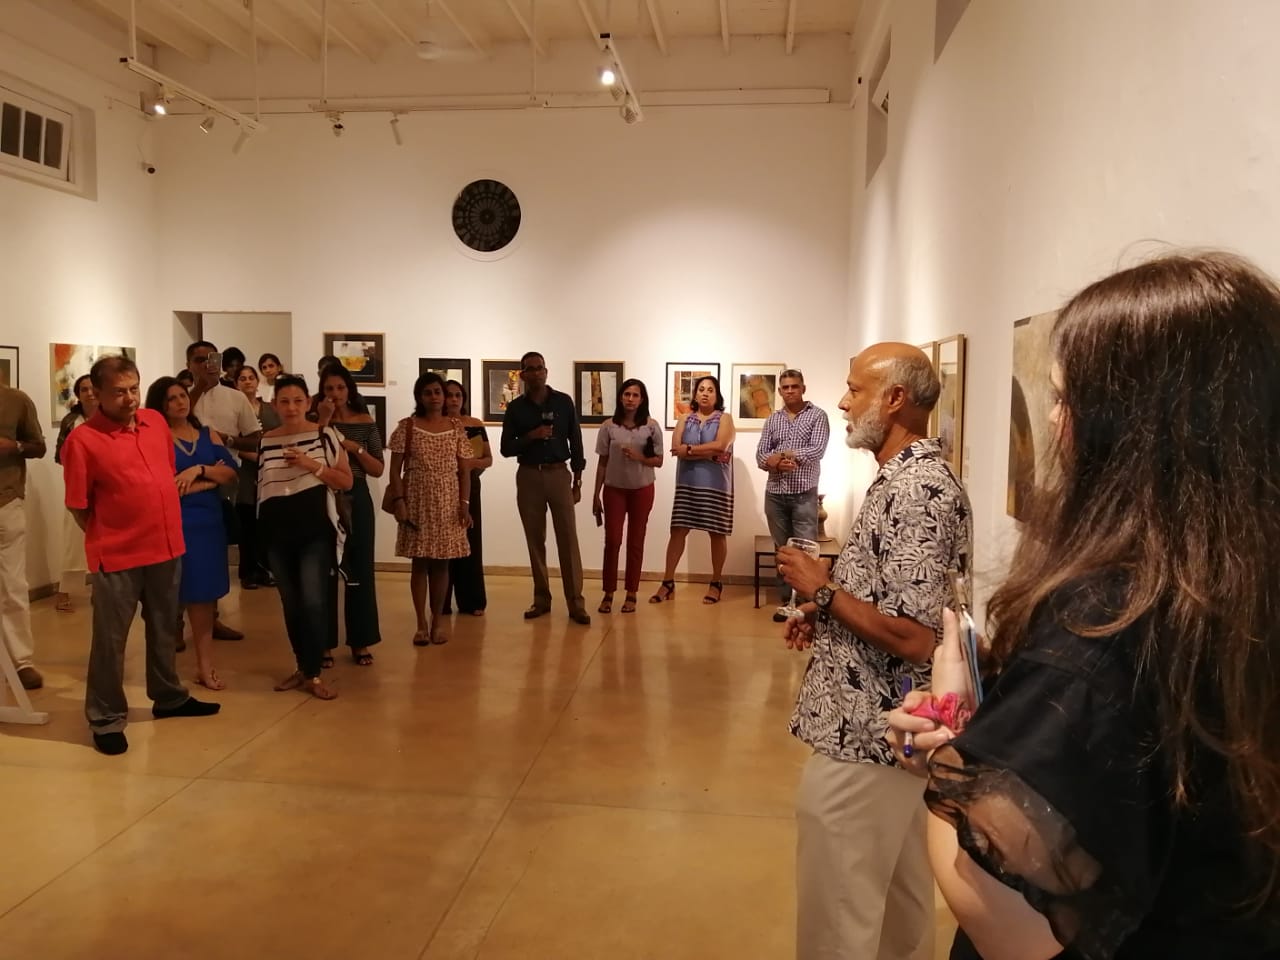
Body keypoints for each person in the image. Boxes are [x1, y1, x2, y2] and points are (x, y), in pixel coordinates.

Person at [884, 253, 1280, 960]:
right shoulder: (1241, 587)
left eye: (1065, 398)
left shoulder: (1106, 624)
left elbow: (1009, 925)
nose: (1052, 419)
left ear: (1132, 428)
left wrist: (951, 749)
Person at [777, 342, 971, 960]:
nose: (842, 401)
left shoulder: (917, 490)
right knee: (897, 910)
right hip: (893, 738)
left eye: (855, 388)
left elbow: (914, 636)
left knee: (840, 920)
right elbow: (897, 600)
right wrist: (826, 612)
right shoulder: (906, 479)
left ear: (894, 399)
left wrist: (822, 588)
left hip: (866, 739)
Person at [61, 355, 220, 755]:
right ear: (97, 394)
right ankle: (105, 717)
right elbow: (78, 505)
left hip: (166, 546)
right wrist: (110, 534)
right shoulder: (83, 441)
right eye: (119, 392)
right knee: (110, 641)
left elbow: (165, 474)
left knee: (165, 628)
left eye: (134, 389)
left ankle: (169, 697)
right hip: (117, 554)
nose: (130, 398)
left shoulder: (154, 423)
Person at [257, 374, 352, 700]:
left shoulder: (324, 435)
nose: (291, 407)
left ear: (308, 402)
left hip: (314, 530)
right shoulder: (266, 440)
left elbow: (346, 481)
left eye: (298, 400)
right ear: (274, 405)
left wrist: (311, 465)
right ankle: (302, 666)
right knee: (291, 603)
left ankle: (313, 672)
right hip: (277, 531)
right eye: (284, 401)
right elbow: (264, 487)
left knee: (313, 601)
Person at [146, 377, 237, 691]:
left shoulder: (207, 434)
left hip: (208, 526)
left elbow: (230, 472)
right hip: (172, 524)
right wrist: (207, 482)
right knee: (167, 601)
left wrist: (198, 471)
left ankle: (205, 666)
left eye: (182, 396)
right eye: (171, 398)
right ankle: (163, 674)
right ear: (160, 405)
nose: (180, 402)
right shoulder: (156, 438)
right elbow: (164, 486)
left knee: (203, 599)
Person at [499, 352, 590, 625]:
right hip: (529, 475)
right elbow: (505, 448)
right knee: (535, 540)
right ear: (522, 375)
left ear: (546, 371)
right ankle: (541, 599)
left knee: (568, 539)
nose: (536, 373)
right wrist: (531, 436)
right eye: (531, 369)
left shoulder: (563, 402)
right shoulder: (516, 408)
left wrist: (577, 480)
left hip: (559, 474)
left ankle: (576, 603)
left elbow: (576, 440)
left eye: (540, 368)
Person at [387, 373, 473, 646]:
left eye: (438, 392)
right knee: (420, 564)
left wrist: (464, 504)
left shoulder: (456, 427)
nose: (434, 397)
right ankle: (421, 624)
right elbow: (395, 470)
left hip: (448, 502)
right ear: (419, 397)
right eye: (428, 392)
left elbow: (464, 471)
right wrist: (399, 502)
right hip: (417, 501)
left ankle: (437, 622)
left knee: (442, 565)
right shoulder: (407, 427)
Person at [185, 340, 260, 641]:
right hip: (182, 481)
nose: (206, 364)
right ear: (189, 364)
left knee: (213, 552)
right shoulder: (178, 396)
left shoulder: (235, 397)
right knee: (180, 555)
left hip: (222, 480)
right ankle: (175, 626)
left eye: (210, 358)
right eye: (199, 360)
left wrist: (228, 440)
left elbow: (255, 438)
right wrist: (199, 388)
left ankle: (212, 619)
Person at [316, 363, 384, 665]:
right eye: (329, 388)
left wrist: (355, 448)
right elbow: (311, 454)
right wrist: (323, 422)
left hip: (357, 495)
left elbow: (378, 468)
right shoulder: (314, 421)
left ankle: (361, 640)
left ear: (349, 389)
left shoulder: (365, 421)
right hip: (324, 495)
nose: (335, 393)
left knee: (360, 569)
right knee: (325, 569)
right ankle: (324, 643)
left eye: (340, 387)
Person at [651, 376, 735, 605]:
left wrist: (689, 450)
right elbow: (675, 448)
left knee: (716, 533)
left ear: (717, 395)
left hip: (716, 485)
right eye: (701, 389)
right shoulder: (684, 418)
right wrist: (708, 453)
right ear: (695, 394)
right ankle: (668, 582)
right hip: (687, 484)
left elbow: (721, 446)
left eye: (710, 390)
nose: (705, 393)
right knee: (678, 531)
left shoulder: (725, 418)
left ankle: (716, 582)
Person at [755, 369, 830, 621]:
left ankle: (807, 604)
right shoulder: (772, 419)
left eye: (794, 386)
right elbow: (761, 455)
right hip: (775, 494)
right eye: (785, 387)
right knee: (782, 551)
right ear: (779, 391)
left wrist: (785, 455)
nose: (790, 391)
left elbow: (817, 450)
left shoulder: (817, 416)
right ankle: (787, 601)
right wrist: (775, 463)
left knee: (806, 552)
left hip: (804, 494)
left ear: (803, 388)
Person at [590, 379, 664, 614]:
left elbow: (659, 461)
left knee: (636, 541)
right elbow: (602, 462)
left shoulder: (651, 427)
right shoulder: (608, 426)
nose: (630, 399)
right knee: (612, 541)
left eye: (635, 395)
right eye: (627, 394)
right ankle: (608, 592)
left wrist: (639, 457)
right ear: (621, 397)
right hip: (614, 489)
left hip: (642, 489)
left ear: (642, 399)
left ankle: (631, 592)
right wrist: (595, 494)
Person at [0, 377, 46, 690]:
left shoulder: (17, 400)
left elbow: (39, 446)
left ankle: (20, 662)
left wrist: (14, 446)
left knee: (13, 585)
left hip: (6, 501)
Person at [443, 379, 491, 617]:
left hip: (470, 485)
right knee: (444, 541)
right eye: (449, 395)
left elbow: (488, 459)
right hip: (443, 486)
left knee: (471, 539)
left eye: (458, 395)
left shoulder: (474, 424)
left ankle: (472, 601)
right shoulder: (437, 425)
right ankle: (441, 601)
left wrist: (471, 463)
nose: (454, 400)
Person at [233, 365, 280, 589]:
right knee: (247, 524)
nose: (247, 382)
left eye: (251, 377)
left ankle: (266, 570)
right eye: (242, 378)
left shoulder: (270, 409)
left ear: (257, 381)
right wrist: (254, 456)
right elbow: (231, 442)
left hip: (269, 471)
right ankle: (248, 572)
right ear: (236, 384)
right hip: (245, 471)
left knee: (267, 525)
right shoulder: (234, 410)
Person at [53, 374, 97, 613]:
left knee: (103, 538)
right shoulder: (72, 421)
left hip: (105, 487)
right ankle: (64, 591)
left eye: (92, 388)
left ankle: (100, 589)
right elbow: (59, 454)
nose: (89, 393)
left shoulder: (110, 418)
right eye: (84, 389)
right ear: (78, 395)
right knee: (73, 542)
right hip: (77, 487)